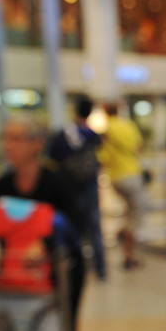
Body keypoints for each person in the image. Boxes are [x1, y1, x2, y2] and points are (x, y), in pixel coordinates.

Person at [0, 113, 87, 331]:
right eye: (6, 138)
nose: (7, 145)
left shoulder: (57, 183)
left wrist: (45, 244)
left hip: (61, 272)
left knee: (61, 328)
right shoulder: (2, 184)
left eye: (16, 138)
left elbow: (75, 226)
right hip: (19, 276)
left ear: (37, 144)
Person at [46, 96, 106, 280]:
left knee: (74, 231)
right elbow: (100, 159)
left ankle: (78, 269)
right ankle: (101, 271)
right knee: (95, 229)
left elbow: (52, 160)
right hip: (89, 187)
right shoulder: (93, 135)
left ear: (74, 111)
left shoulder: (62, 135)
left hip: (69, 190)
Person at [98, 100, 147, 269]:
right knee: (135, 216)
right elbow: (138, 147)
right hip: (132, 175)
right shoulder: (128, 126)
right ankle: (129, 254)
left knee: (130, 212)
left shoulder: (104, 132)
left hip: (115, 178)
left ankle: (123, 234)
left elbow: (101, 157)